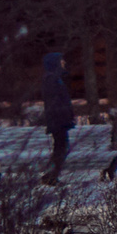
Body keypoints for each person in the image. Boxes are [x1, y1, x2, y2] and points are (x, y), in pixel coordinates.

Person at [41, 52, 74, 184]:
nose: (63, 63)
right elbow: (55, 101)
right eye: (61, 61)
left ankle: (52, 175)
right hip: (58, 121)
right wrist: (64, 116)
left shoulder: (55, 78)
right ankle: (51, 175)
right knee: (60, 148)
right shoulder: (52, 79)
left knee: (61, 147)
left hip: (59, 120)